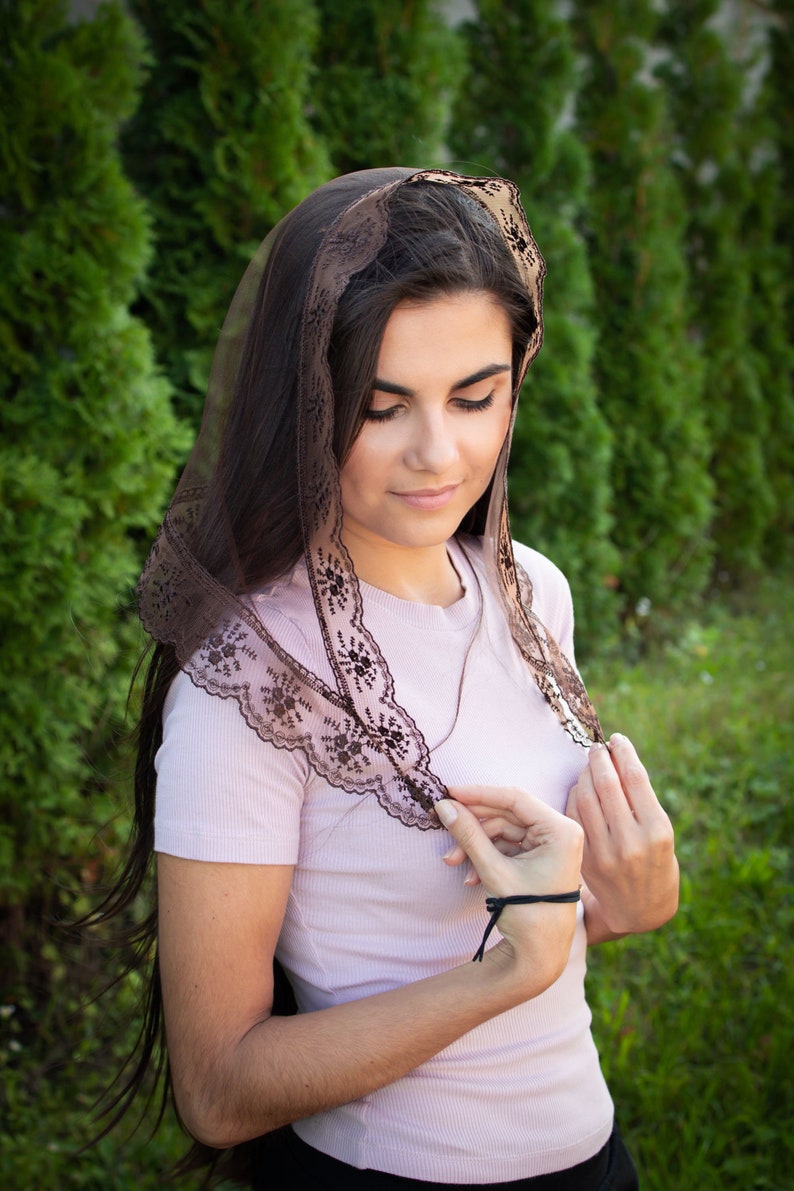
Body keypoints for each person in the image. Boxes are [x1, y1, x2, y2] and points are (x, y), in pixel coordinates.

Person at [114, 168, 679, 1189]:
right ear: (308, 402)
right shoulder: (250, 678)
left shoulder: (530, 592)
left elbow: (523, 915)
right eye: (382, 407)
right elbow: (217, 1084)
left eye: (477, 396)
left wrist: (609, 903)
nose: (438, 453)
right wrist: (509, 970)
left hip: (592, 1162)